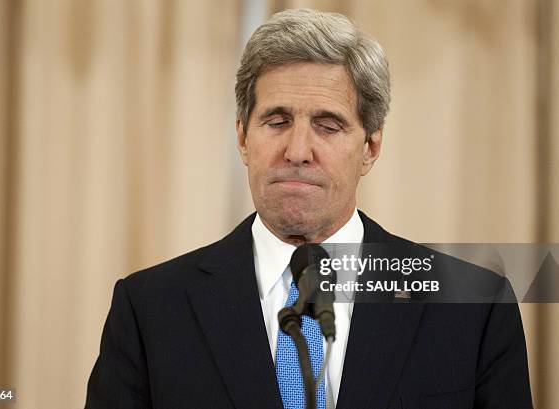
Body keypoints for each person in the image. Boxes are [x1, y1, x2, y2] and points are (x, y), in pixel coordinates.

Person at [85, 9, 532, 409]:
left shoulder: (475, 307)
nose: (298, 150)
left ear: (370, 148)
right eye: (277, 122)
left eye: (328, 125)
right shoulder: (149, 308)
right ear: (243, 138)